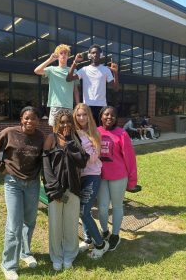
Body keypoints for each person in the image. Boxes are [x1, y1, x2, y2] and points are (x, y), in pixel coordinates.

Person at [0, 106, 44, 280]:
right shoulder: (10, 132)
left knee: (30, 221)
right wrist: (1, 168)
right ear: (21, 119)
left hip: (33, 184)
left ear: (38, 121)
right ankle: (8, 264)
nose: (30, 121)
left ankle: (25, 253)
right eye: (27, 118)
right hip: (13, 184)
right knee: (14, 225)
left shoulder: (40, 137)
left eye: (33, 118)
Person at [42, 109, 89, 271]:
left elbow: (82, 162)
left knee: (71, 224)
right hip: (55, 190)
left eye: (68, 121)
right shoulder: (50, 139)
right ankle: (56, 256)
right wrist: (54, 189)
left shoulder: (76, 140)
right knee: (55, 225)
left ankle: (69, 255)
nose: (65, 124)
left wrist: (70, 141)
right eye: (62, 122)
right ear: (57, 123)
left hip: (73, 188)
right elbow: (46, 166)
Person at [97, 106, 138, 251]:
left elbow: (130, 158)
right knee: (102, 208)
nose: (109, 117)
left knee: (117, 206)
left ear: (116, 118)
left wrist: (132, 181)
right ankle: (104, 231)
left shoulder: (122, 134)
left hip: (119, 177)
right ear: (101, 116)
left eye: (113, 115)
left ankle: (115, 235)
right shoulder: (95, 132)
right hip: (101, 177)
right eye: (106, 115)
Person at [73, 103, 109, 259]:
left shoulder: (95, 133)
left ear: (89, 116)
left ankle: (101, 244)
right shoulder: (73, 133)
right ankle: (88, 240)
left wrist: (81, 157)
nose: (81, 118)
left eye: (84, 114)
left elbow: (94, 158)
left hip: (92, 175)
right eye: (79, 115)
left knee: (84, 211)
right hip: (78, 177)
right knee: (81, 210)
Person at [66, 44, 119, 126]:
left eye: (97, 53)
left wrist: (115, 73)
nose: (95, 55)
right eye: (93, 53)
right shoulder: (84, 70)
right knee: (88, 130)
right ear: (89, 55)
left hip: (102, 106)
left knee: (100, 131)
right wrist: (75, 62)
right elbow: (69, 78)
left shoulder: (106, 70)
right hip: (87, 106)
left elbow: (115, 88)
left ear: (100, 55)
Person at [34, 44, 79, 126]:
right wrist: (50, 60)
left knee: (68, 130)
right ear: (57, 55)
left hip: (68, 106)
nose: (63, 55)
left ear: (68, 56)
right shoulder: (52, 69)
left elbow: (75, 90)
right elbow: (37, 71)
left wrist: (78, 105)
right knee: (55, 130)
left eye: (65, 53)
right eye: (61, 53)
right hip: (55, 105)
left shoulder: (73, 71)